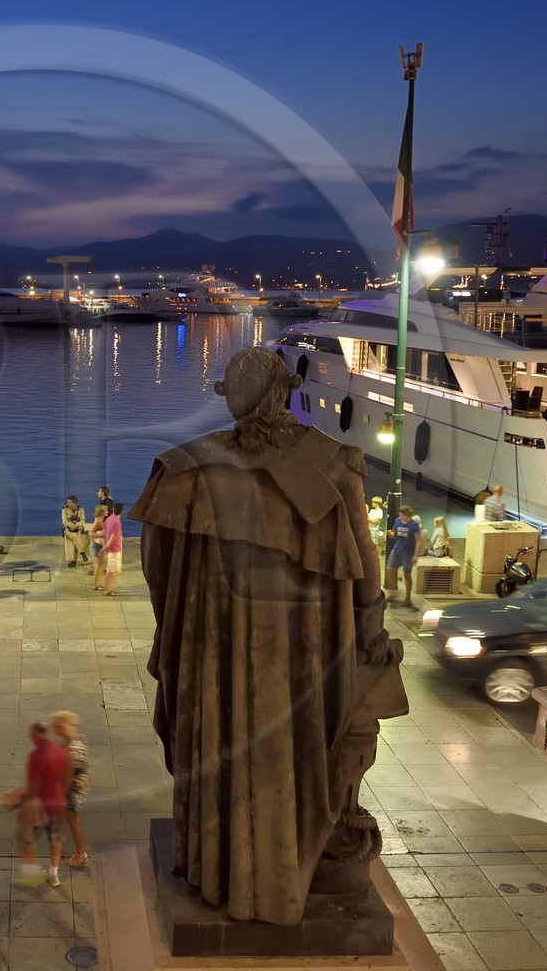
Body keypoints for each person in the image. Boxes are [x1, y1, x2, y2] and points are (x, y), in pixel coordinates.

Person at [131, 347, 406, 925]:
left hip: (215, 657)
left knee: (217, 751)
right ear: (287, 392)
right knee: (301, 753)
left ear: (232, 400)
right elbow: (363, 562)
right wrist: (371, 627)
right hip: (304, 661)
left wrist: (182, 628)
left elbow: (156, 569)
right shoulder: (334, 464)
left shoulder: (187, 469)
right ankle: (284, 876)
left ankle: (217, 872)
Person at [15, 720, 69, 886]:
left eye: (31, 735)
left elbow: (34, 785)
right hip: (57, 804)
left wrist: (22, 799)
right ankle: (54, 874)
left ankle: (30, 875)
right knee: (55, 839)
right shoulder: (60, 750)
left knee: (29, 839)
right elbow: (67, 777)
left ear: (35, 735)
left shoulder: (36, 756)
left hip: (40, 807)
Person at [50, 710, 91, 868]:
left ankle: (81, 853)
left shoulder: (71, 749)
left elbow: (68, 776)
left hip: (74, 788)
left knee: (73, 821)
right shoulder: (76, 739)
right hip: (80, 783)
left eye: (57, 726)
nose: (55, 730)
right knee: (72, 820)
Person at [385, 504, 419, 606]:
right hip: (397, 549)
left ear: (407, 515)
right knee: (390, 569)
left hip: (408, 552)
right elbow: (395, 532)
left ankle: (408, 598)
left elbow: (418, 541)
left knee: (407, 574)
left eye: (402, 514)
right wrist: (392, 534)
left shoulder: (414, 525)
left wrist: (415, 555)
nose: (400, 515)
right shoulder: (397, 521)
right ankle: (393, 591)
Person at [101, 502, 125, 596]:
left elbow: (106, 532)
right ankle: (107, 590)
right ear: (122, 512)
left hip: (114, 549)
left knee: (115, 570)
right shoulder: (117, 522)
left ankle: (112, 587)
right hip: (114, 550)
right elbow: (112, 538)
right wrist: (104, 548)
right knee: (110, 570)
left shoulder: (109, 519)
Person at [61, 495, 90, 567]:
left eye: (70, 502)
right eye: (68, 502)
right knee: (76, 537)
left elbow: (82, 520)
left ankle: (74, 561)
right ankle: (82, 553)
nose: (68, 504)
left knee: (76, 539)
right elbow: (65, 522)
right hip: (68, 530)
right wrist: (72, 526)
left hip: (77, 529)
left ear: (75, 503)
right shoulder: (65, 510)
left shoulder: (81, 509)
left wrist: (77, 526)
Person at [89, 504, 109, 591]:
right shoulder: (98, 521)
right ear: (102, 512)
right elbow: (90, 533)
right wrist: (100, 534)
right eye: (106, 511)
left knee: (102, 565)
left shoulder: (102, 520)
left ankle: (97, 583)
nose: (107, 512)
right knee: (99, 566)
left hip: (100, 545)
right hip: (96, 545)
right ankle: (95, 585)